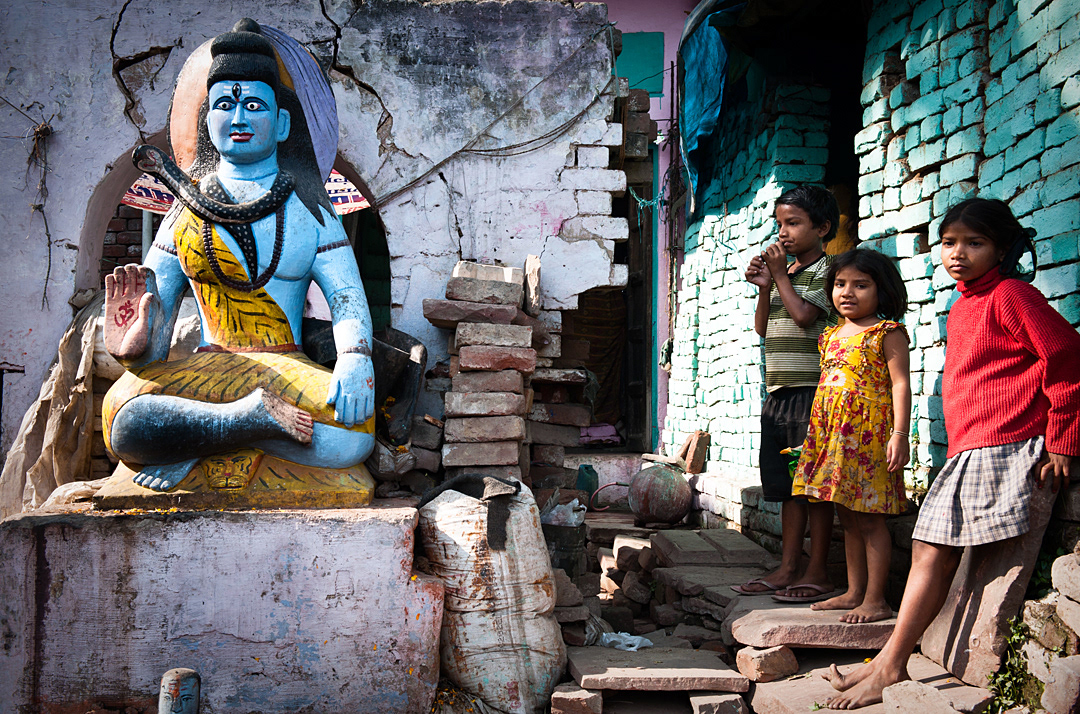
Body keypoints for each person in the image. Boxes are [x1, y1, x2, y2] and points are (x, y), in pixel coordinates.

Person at [823, 198, 1080, 708]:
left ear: (1002, 249)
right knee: (926, 549)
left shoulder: (1011, 295)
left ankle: (888, 666)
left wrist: (1063, 440)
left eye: (974, 243)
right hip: (971, 448)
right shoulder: (965, 304)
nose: (957, 254)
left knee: (931, 550)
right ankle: (889, 662)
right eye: (948, 243)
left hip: (1005, 446)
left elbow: (1067, 355)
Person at [102, 20, 376, 491]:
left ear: (283, 122)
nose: (239, 118)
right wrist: (133, 344)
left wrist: (355, 358)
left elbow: (348, 299)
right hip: (207, 366)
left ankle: (196, 440)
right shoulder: (184, 212)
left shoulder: (312, 211)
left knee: (357, 434)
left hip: (285, 365)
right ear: (206, 117)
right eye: (225, 105)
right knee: (123, 419)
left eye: (254, 105)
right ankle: (248, 423)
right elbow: (154, 337)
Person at [791, 249, 911, 624]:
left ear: (882, 290)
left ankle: (876, 599)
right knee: (846, 514)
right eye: (840, 284)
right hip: (833, 439)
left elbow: (901, 384)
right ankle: (854, 592)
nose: (848, 292)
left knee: (871, 518)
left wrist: (900, 434)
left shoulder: (886, 333)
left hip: (869, 438)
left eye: (861, 285)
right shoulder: (830, 335)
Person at [734, 185, 839, 602]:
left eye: (794, 224)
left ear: (823, 227)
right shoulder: (789, 275)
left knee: (813, 485)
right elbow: (763, 327)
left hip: (811, 392)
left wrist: (778, 276)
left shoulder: (828, 271)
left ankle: (818, 570)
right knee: (789, 487)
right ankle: (789, 566)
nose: (784, 234)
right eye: (780, 224)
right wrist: (765, 285)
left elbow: (803, 316)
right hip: (778, 393)